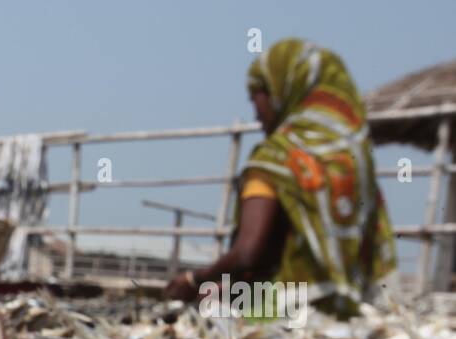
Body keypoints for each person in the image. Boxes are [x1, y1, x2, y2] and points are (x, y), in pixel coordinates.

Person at [165, 39, 396, 320]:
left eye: (257, 96)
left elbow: (248, 253)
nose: (255, 111)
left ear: (282, 88)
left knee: (203, 305)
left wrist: (194, 280)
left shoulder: (276, 156)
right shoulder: (354, 163)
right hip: (344, 307)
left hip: (280, 309)